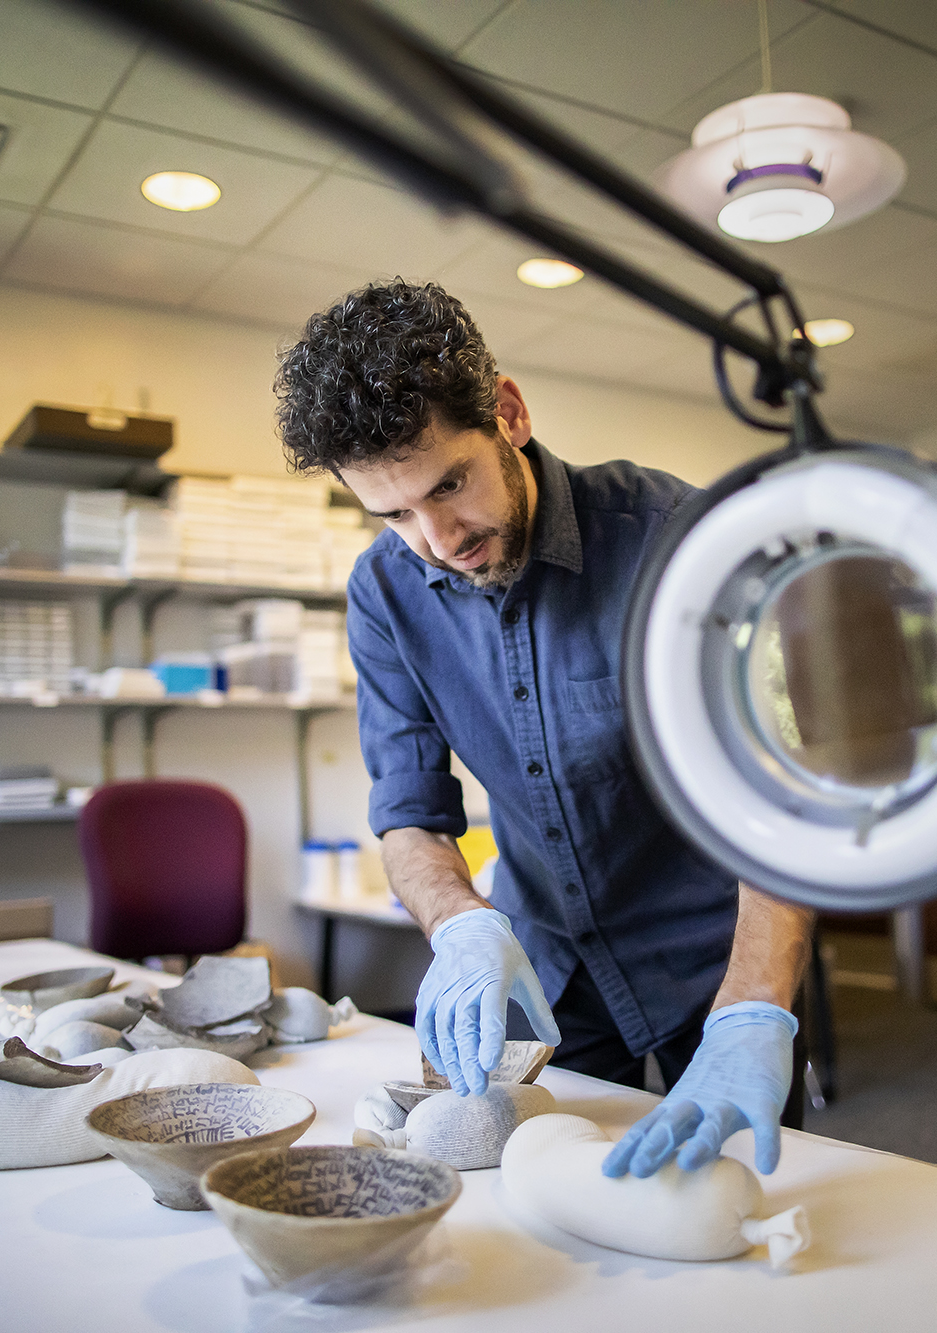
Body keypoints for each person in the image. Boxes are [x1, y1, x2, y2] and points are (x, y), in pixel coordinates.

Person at [273, 279, 815, 1179]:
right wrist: (461, 926)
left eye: (449, 484)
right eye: (396, 514)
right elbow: (411, 811)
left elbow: (784, 792)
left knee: (736, 1214)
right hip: (543, 965)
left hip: (713, 959)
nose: (437, 538)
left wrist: (754, 1009)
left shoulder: (674, 539)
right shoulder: (383, 591)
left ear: (510, 414)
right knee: (543, 1209)